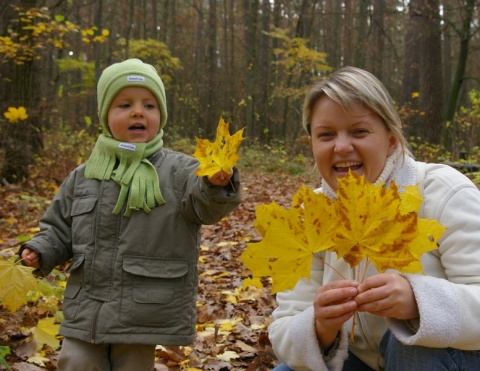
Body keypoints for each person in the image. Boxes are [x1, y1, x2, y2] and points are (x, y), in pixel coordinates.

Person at [20, 58, 241, 370]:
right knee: (76, 362)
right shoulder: (83, 176)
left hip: (142, 310)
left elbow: (205, 206)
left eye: (149, 105)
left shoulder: (180, 171)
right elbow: (58, 230)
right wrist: (39, 250)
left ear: (160, 116)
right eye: (125, 104)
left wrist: (216, 183)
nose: (138, 112)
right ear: (105, 116)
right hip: (88, 306)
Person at [269, 66, 480, 370]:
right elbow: (284, 328)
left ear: (391, 141)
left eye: (359, 131)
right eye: (326, 135)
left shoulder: (442, 192)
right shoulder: (309, 218)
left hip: (453, 358)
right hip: (360, 362)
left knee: (410, 349)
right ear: (313, 145)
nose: (342, 146)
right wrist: (320, 327)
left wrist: (419, 303)